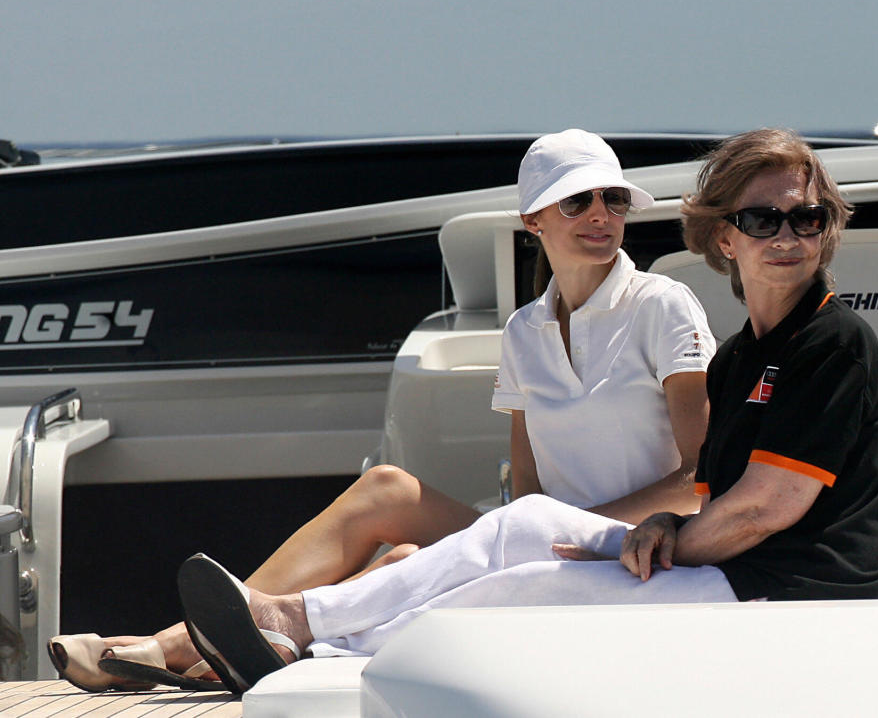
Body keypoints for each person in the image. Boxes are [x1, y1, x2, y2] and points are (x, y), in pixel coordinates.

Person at [173, 128, 878, 694]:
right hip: (735, 568)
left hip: (790, 591)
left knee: (524, 589)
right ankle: (291, 623)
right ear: (724, 236)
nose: (788, 237)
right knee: (521, 525)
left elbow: (761, 510)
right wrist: (652, 533)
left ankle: (298, 635)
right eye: (764, 219)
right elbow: (704, 495)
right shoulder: (741, 357)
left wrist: (645, 543)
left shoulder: (832, 344)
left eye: (807, 219)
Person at [49, 129, 715, 692]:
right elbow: (529, 486)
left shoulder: (661, 305)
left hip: (629, 544)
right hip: (534, 533)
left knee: (401, 562)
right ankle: (217, 639)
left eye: (614, 199)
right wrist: (524, 530)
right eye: (578, 201)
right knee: (386, 490)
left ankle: (169, 649)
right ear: (533, 220)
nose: (601, 213)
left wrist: (546, 530)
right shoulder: (522, 331)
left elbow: (697, 476)